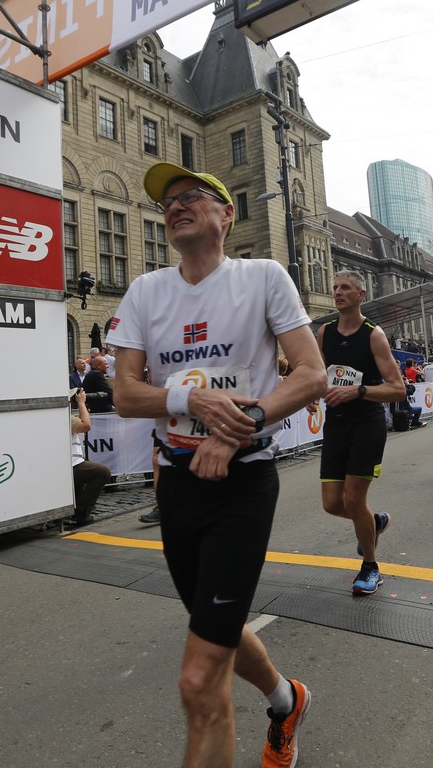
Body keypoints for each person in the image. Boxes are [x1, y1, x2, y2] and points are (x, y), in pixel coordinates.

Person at [108, 161, 326, 768]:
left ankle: (274, 707)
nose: (175, 206)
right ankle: (286, 699)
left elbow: (311, 374)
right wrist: (191, 399)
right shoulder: (145, 291)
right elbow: (125, 394)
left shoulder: (263, 277)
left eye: (192, 196)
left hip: (242, 484)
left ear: (226, 215)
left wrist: (239, 426)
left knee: (199, 681)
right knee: (214, 624)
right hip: (178, 485)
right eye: (168, 202)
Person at [315, 269, 406, 595]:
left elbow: (398, 388)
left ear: (360, 295)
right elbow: (317, 374)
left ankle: (370, 566)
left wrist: (359, 391)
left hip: (367, 423)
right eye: (335, 287)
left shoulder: (373, 335)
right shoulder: (324, 332)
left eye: (345, 288)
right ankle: (374, 521)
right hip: (336, 423)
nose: (338, 292)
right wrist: (311, 395)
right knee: (331, 503)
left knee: (354, 499)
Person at [69, 388, 111, 526]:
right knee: (102, 472)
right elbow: (86, 426)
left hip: (72, 463)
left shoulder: (64, 415)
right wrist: (81, 403)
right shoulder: (65, 417)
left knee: (85, 475)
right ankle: (82, 512)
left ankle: (77, 510)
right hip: (72, 464)